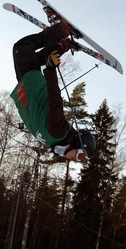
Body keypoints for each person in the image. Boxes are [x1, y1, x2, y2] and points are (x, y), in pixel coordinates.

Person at [10, 22, 96, 163]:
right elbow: (55, 99)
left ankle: (63, 45)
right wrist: (50, 69)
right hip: (30, 82)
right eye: (80, 155)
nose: (75, 159)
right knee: (21, 48)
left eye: (80, 159)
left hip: (31, 85)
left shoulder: (55, 143)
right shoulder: (58, 131)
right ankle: (61, 30)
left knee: (35, 58)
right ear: (78, 144)